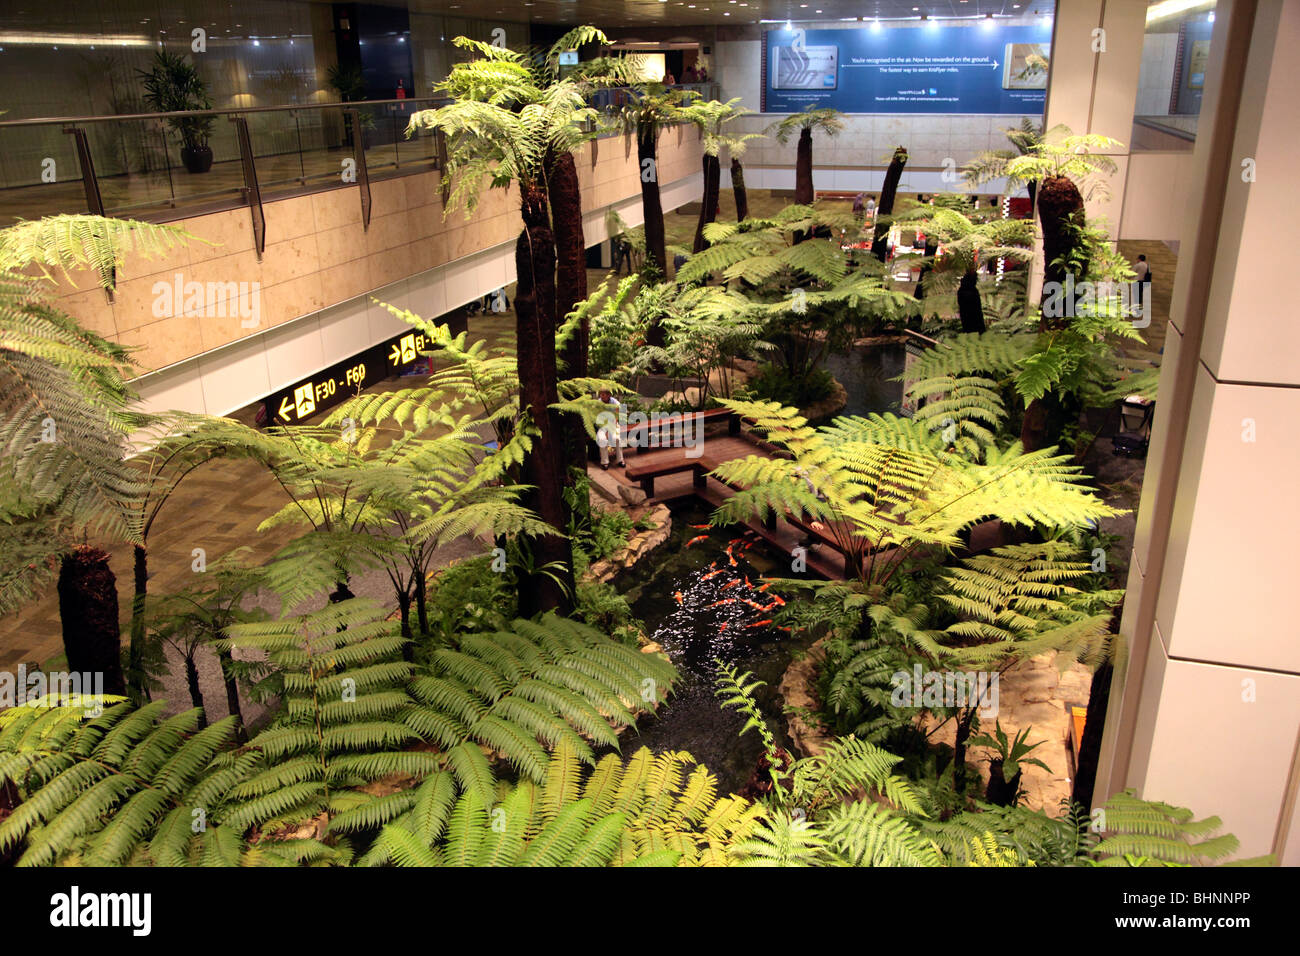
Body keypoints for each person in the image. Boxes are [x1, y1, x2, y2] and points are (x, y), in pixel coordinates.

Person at [596, 389, 625, 469]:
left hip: (613, 424)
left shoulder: (615, 403)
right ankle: (605, 462)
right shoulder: (598, 404)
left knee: (617, 439)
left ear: (609, 395)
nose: (601, 396)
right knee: (602, 439)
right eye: (601, 394)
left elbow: (616, 416)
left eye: (603, 394)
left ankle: (620, 460)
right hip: (602, 425)